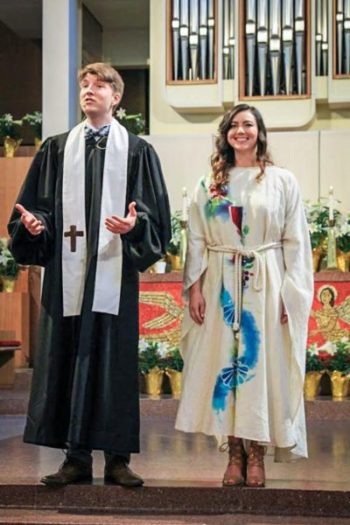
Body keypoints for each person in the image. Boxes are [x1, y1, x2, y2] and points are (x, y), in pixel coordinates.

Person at [8, 62, 171, 487]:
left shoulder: (136, 152)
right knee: (69, 359)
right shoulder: (57, 149)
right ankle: (75, 458)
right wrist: (35, 225)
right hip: (68, 277)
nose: (90, 90)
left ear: (117, 97)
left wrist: (136, 227)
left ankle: (117, 460)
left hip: (115, 278)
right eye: (84, 84)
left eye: (100, 85)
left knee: (112, 362)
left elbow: (156, 221)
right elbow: (36, 206)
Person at [175, 104, 313, 487]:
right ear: (226, 134)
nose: (241, 131)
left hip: (266, 283)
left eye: (248, 125)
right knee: (226, 367)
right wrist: (196, 289)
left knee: (259, 365)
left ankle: (258, 454)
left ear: (259, 132)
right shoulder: (211, 185)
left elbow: (295, 242)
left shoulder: (282, 180)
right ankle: (233, 452)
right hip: (221, 284)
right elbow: (198, 240)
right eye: (234, 125)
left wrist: (292, 295)